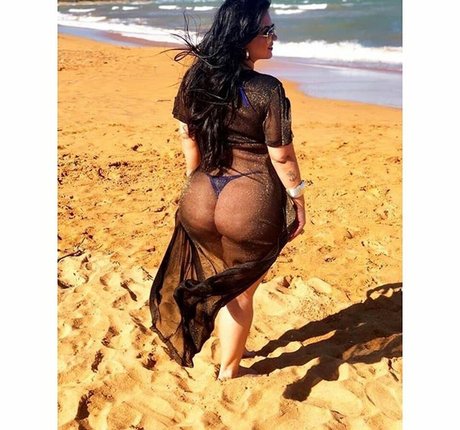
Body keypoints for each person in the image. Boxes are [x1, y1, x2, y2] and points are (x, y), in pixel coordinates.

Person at [149, 0, 306, 381]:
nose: (274, 37)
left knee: (223, 278)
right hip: (248, 203)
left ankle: (230, 346)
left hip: (200, 197)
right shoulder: (267, 90)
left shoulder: (197, 79)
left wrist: (194, 182)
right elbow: (281, 155)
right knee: (241, 291)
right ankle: (229, 369)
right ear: (243, 37)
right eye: (267, 31)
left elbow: (187, 137)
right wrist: (298, 198)